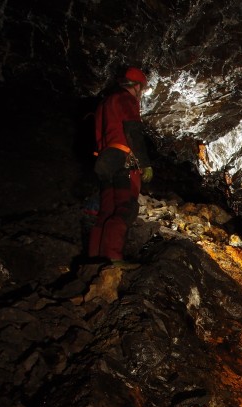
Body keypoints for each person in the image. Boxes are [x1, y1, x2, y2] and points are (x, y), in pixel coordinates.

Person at [88, 67, 154, 262]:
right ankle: (113, 259)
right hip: (122, 159)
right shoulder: (126, 99)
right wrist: (144, 163)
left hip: (104, 161)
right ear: (136, 86)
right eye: (141, 89)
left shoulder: (104, 103)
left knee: (106, 212)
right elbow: (133, 130)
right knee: (125, 209)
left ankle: (94, 259)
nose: (141, 94)